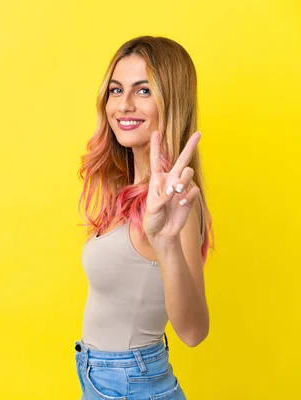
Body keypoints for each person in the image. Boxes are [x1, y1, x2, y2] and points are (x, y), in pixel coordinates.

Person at [74, 36, 214, 400]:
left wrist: (166, 242)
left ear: (172, 101)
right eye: (117, 90)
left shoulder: (176, 201)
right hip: (103, 378)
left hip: (131, 384)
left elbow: (193, 331)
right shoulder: (128, 188)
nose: (124, 105)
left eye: (144, 91)